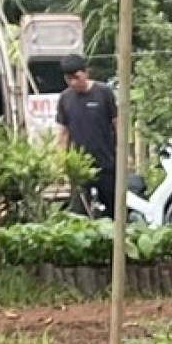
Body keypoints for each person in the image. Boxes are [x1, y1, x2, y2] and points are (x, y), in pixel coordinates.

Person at [56, 53, 118, 219]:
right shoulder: (65, 99)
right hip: (80, 167)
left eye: (76, 77)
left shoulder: (104, 93)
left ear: (86, 73)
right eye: (69, 79)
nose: (73, 82)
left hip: (106, 162)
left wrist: (124, 154)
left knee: (114, 209)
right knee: (79, 213)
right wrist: (62, 161)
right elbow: (63, 132)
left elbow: (117, 124)